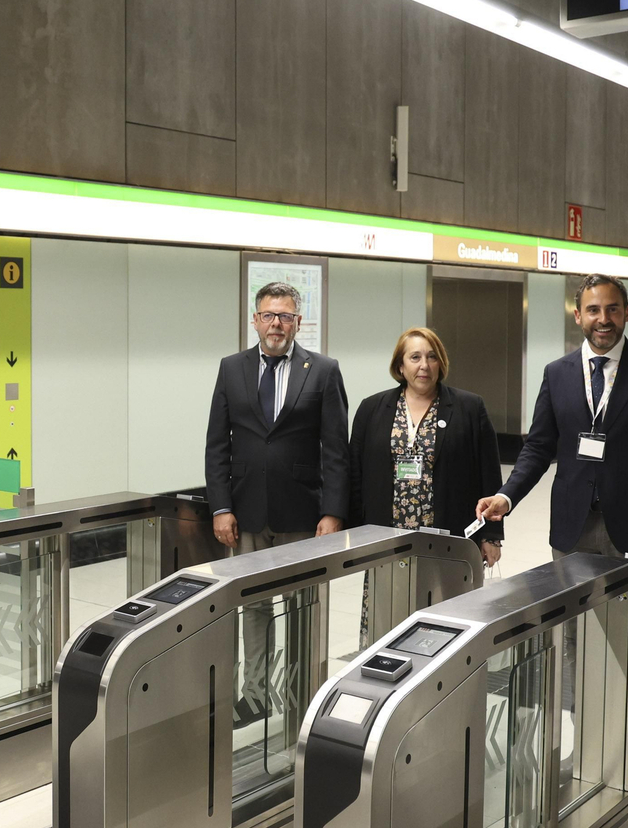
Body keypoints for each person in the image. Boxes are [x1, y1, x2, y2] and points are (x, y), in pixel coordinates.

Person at [205, 281, 348, 723]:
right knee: (253, 605)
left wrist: (333, 512)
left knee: (305, 603)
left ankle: (305, 694)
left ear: (298, 322)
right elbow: (217, 445)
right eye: (268, 315)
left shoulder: (322, 370)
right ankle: (255, 695)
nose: (276, 324)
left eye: (285, 316)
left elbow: (335, 449)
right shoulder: (232, 368)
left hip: (302, 512)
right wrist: (221, 507)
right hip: (246, 511)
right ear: (255, 320)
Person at [474, 274, 628, 561]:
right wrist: (506, 495)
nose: (603, 319)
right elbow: (538, 447)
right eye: (593, 310)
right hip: (571, 528)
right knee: (569, 594)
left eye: (612, 309)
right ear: (578, 316)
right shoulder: (557, 373)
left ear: (627, 312)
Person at [349, 327, 503, 641]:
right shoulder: (372, 409)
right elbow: (355, 474)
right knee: (388, 619)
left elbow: (489, 475)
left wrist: (492, 536)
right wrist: (353, 536)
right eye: (415, 357)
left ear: (441, 363)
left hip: (448, 537)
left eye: (432, 357)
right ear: (400, 365)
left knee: (447, 622)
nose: (424, 365)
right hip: (388, 538)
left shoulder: (469, 407)